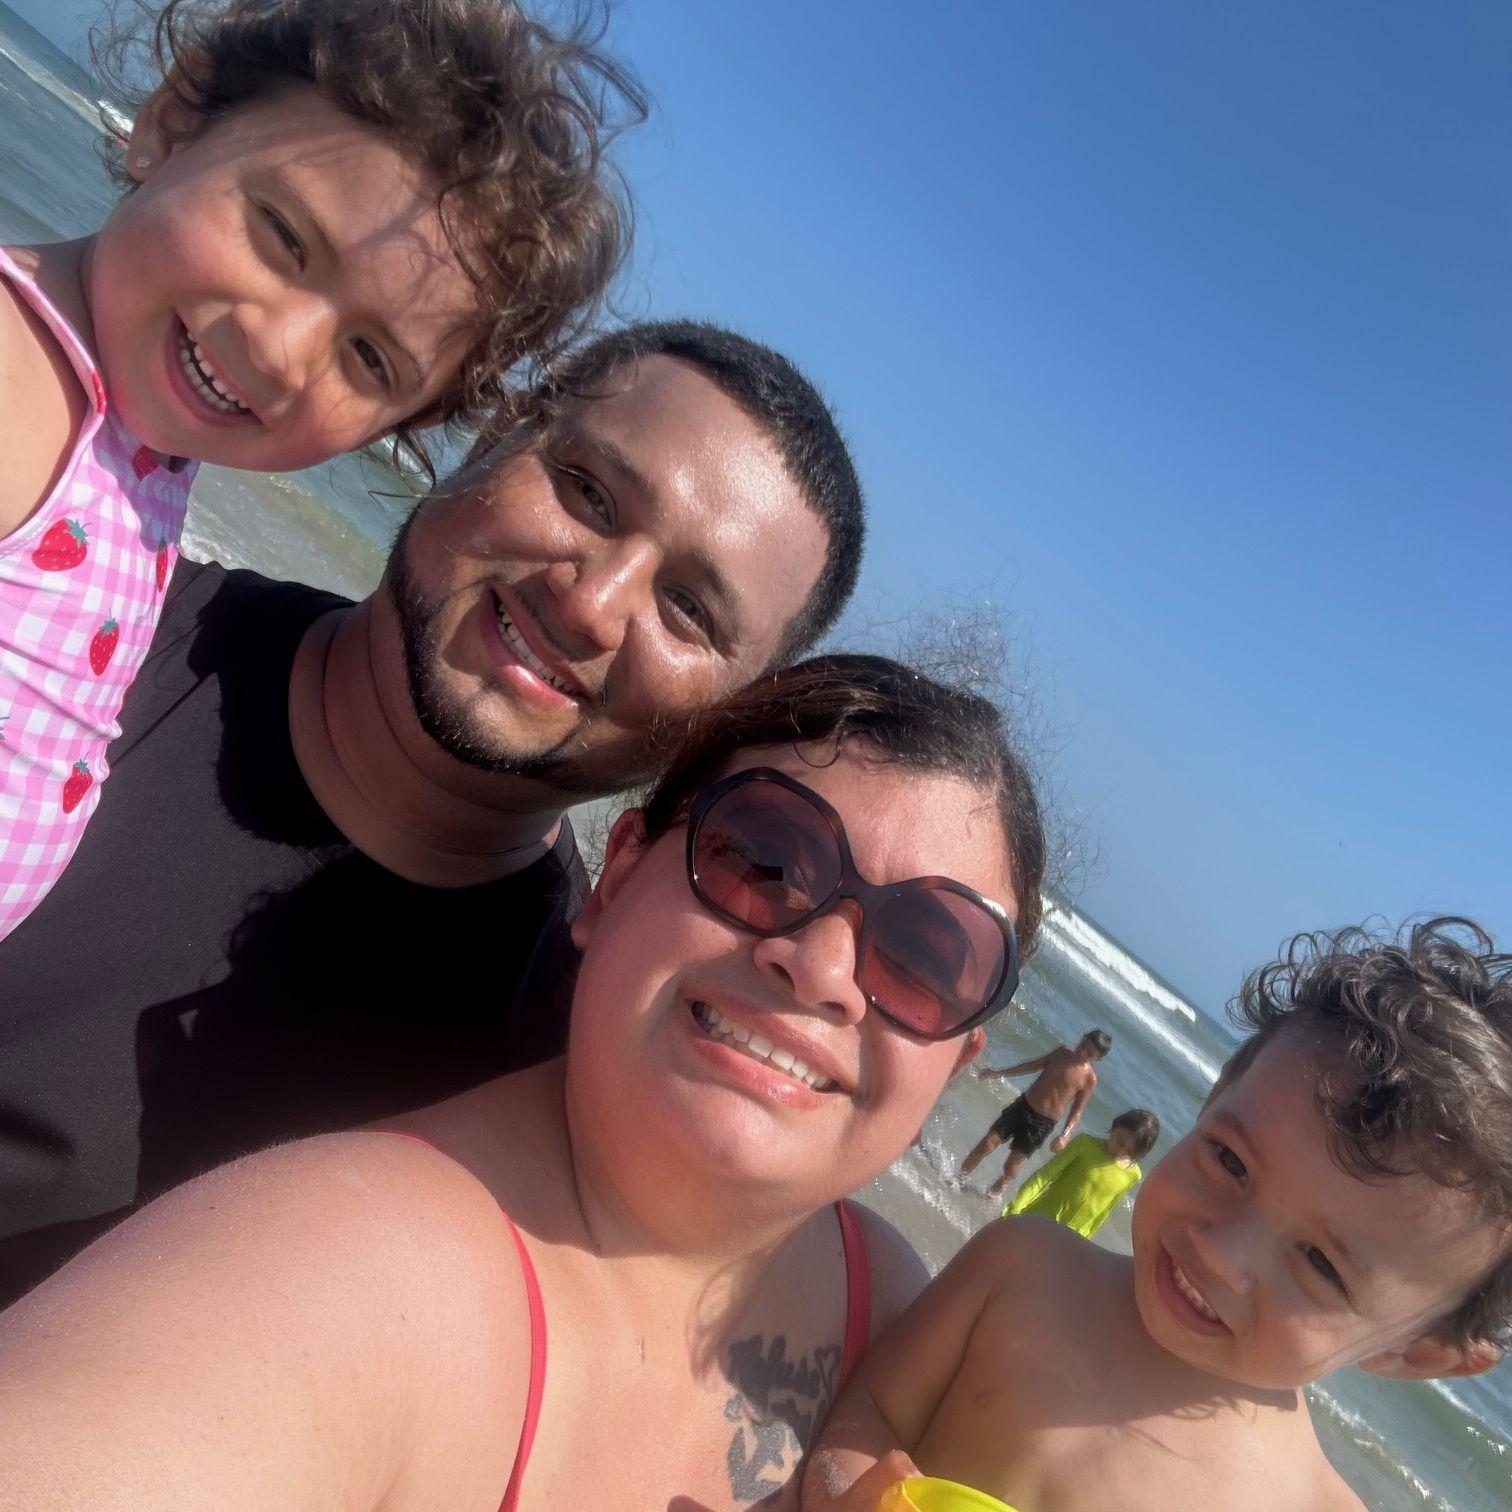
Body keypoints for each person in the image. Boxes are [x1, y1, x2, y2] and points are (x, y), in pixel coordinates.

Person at [0, 652, 1047, 1511]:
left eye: (924, 957)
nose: (819, 967)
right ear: (619, 874)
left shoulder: (898, 1318)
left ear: (955, 1063)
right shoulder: (335, 1283)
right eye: (767, 859)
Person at [0, 318, 867, 1307]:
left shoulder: (558, 1094)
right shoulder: (62, 630)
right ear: (497, 429)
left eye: (689, 610)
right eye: (587, 491)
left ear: (722, 718)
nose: (592, 603)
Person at [0, 0, 645, 937]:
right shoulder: (18, 368)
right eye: (284, 238)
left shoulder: (135, 441)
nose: (282, 350)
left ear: (407, 418)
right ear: (173, 121)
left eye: (370, 359)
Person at [804, 918, 1511, 1512]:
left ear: (1413, 1352)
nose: (1222, 1254)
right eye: (1230, 1161)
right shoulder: (1020, 1269)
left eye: (1321, 1264)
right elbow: (867, 1415)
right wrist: (851, 1492)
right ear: (1213, 1101)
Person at [958, 1029, 1110, 1197]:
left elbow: (1077, 1110)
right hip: (1023, 1106)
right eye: (1082, 1045)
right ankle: (957, 1179)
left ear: (1098, 1059)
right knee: (988, 1143)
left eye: (1089, 1053)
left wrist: (1065, 1135)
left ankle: (996, 1191)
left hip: (1041, 1124)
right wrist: (998, 1072)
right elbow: (1032, 1065)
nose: (1082, 1052)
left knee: (1010, 1167)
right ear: (1082, 1038)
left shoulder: (1089, 1079)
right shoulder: (1062, 1052)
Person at [1000, 1107, 1159, 1239]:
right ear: (1115, 1126)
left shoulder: (1133, 1175)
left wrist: (1085, 1242)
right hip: (1041, 1218)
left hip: (1072, 1238)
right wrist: (1015, 1207)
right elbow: (1043, 1176)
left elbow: (1104, 1211)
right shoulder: (1085, 1144)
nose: (1120, 1150)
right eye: (1119, 1141)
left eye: (1129, 1152)